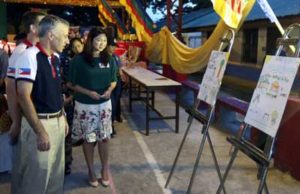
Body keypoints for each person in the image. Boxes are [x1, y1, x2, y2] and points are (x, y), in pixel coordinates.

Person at [14, 15, 69, 194]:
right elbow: (23, 95)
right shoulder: (29, 56)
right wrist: (40, 131)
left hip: (57, 121)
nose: (67, 40)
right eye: (65, 35)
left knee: (55, 175)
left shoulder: (55, 58)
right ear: (51, 35)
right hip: (40, 123)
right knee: (36, 178)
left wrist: (63, 116)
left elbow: (54, 91)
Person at [67, 27, 117, 187]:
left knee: (104, 138)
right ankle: (90, 170)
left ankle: (104, 169)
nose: (101, 43)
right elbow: (70, 83)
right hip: (86, 106)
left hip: (104, 105)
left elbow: (114, 79)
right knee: (89, 139)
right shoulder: (79, 60)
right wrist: (89, 92)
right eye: (98, 40)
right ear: (90, 41)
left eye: (104, 40)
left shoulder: (109, 59)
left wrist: (110, 90)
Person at [60, 37, 84, 175]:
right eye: (74, 46)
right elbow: (65, 80)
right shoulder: (65, 59)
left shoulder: (82, 60)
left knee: (70, 129)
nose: (77, 48)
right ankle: (65, 163)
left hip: (75, 98)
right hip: (65, 98)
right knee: (66, 132)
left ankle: (67, 162)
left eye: (79, 46)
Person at [107, 37, 123, 137]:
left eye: (114, 46)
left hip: (118, 82)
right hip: (108, 84)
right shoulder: (104, 58)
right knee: (111, 104)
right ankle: (110, 126)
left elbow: (119, 68)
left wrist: (121, 73)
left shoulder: (116, 56)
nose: (113, 48)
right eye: (112, 46)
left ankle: (115, 118)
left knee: (116, 102)